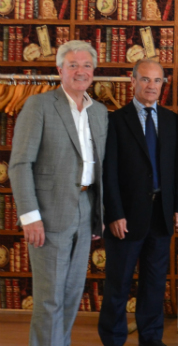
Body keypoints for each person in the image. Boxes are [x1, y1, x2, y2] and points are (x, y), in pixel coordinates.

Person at [9, 40, 107, 346]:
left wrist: (98, 216)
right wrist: (30, 217)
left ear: (94, 70)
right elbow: (20, 164)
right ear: (60, 69)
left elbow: (101, 167)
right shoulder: (39, 106)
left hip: (85, 208)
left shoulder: (100, 111)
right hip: (48, 214)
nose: (81, 71)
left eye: (87, 65)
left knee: (71, 294)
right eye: (74, 65)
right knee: (50, 297)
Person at [98, 59, 178, 346]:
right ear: (133, 81)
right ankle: (113, 339)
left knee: (154, 283)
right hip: (125, 217)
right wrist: (114, 213)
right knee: (118, 284)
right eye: (145, 79)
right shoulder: (115, 120)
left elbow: (176, 169)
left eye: (157, 80)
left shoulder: (172, 120)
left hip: (161, 215)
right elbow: (107, 172)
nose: (151, 85)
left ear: (163, 84)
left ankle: (151, 339)